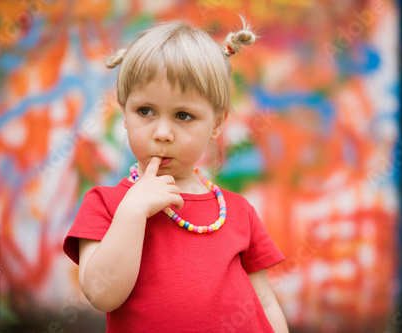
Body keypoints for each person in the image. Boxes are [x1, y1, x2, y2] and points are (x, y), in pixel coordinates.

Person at [63, 18, 289, 333]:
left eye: (183, 115)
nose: (163, 132)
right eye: (145, 111)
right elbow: (102, 295)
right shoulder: (107, 205)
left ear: (217, 123)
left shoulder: (238, 212)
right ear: (125, 113)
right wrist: (132, 212)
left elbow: (264, 300)